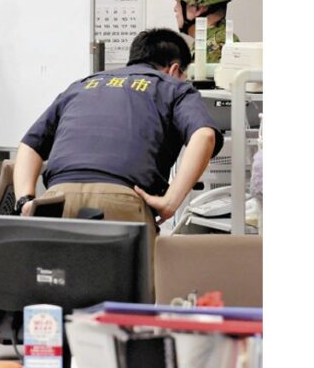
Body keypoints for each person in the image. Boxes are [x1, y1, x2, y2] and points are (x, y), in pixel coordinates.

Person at [12, 28, 223, 231]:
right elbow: (204, 136)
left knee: (57, 269)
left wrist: (25, 201)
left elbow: (30, 145)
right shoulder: (173, 87)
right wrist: (171, 202)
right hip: (122, 199)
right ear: (175, 70)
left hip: (56, 199)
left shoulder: (80, 86)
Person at [166, 0, 238, 64]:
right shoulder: (213, 42)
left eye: (178, 2)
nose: (175, 9)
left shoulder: (213, 50)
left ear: (197, 8)